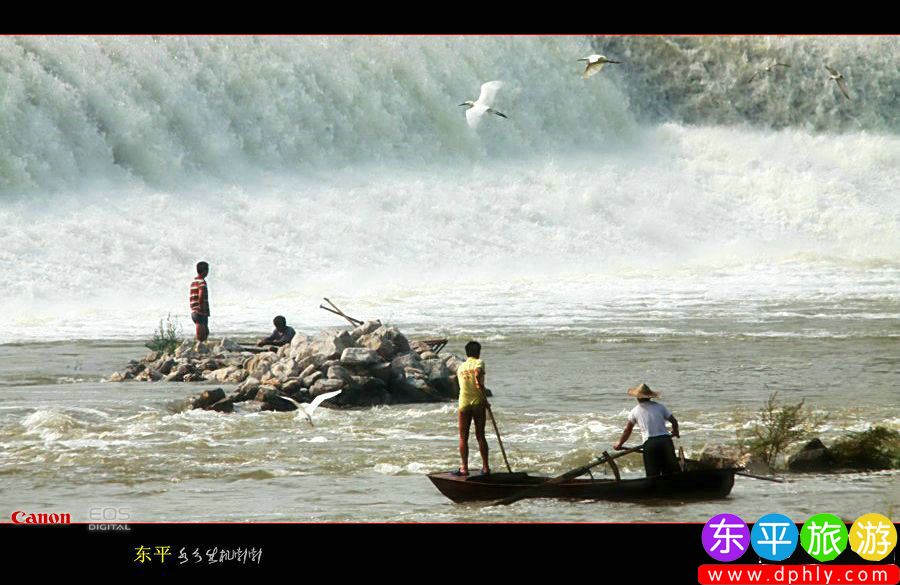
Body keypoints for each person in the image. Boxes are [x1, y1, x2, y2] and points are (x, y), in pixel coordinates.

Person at [613, 383, 681, 477]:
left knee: (653, 474)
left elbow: (627, 430)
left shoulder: (635, 411)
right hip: (666, 441)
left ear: (637, 398)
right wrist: (675, 432)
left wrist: (619, 444)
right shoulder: (660, 407)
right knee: (672, 472)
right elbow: (674, 421)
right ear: (650, 397)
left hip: (650, 443)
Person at [453, 340, 490, 477]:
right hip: (478, 402)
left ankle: (464, 468)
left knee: (463, 437)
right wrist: (486, 401)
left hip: (463, 403)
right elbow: (478, 377)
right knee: (480, 435)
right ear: (478, 352)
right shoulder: (479, 363)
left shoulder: (461, 368)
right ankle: (485, 468)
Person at [189, 261, 210, 342]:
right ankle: (200, 347)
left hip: (195, 310)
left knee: (204, 332)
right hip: (200, 311)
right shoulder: (202, 282)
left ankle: (201, 346)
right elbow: (201, 294)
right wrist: (201, 306)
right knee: (202, 335)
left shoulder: (194, 282)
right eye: (207, 270)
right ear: (204, 271)